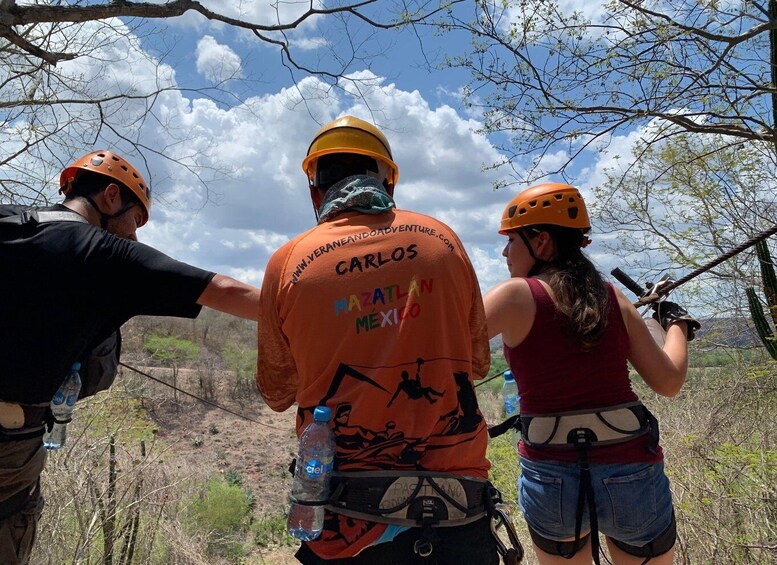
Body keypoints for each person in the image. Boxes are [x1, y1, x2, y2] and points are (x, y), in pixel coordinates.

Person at [257, 116, 506, 563]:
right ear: (388, 181)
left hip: (343, 521)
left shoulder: (288, 262)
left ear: (315, 190)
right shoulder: (442, 240)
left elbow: (278, 392)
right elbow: (476, 362)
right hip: (456, 514)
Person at [0, 150, 260, 565]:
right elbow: (227, 290)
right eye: (135, 220)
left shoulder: (8, 220)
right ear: (110, 196)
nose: (135, 236)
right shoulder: (105, 254)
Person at [483, 183, 700, 565]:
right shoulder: (611, 297)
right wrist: (677, 322)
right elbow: (668, 382)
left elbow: (444, 346)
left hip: (551, 473)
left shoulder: (515, 295)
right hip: (631, 468)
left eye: (511, 240)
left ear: (542, 241)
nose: (504, 252)